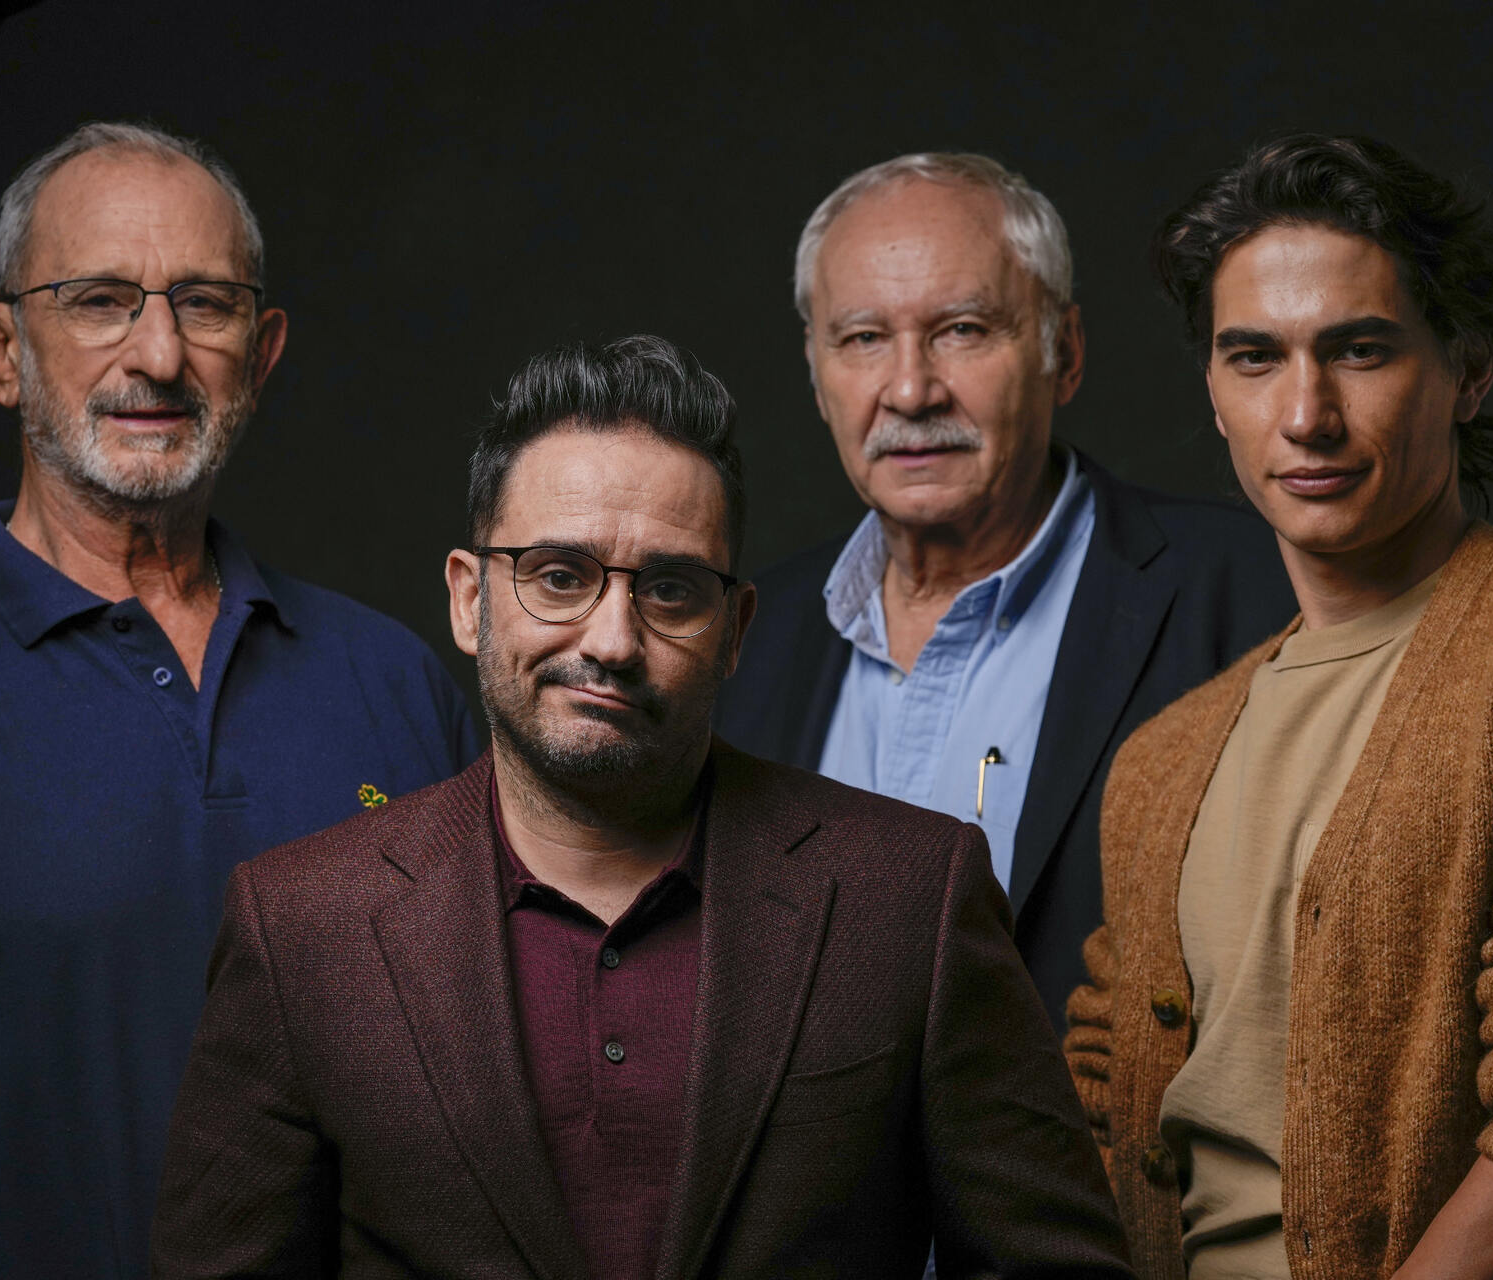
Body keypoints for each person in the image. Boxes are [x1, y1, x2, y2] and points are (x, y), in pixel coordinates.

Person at [150, 335, 1134, 1280]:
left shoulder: (911, 895)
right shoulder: (302, 927)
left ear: (735, 627)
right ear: (467, 597)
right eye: (560, 577)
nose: (612, 638)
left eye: (669, 590)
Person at [0, 122, 477, 1279]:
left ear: (264, 348)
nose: (158, 354)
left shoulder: (393, 683)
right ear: (4, 350)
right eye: (99, 299)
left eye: (205, 303)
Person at [1064, 133, 1493, 1279]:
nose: (1306, 413)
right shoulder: (1164, 758)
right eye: (1253, 357)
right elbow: (1107, 1098)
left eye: (1359, 350)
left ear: (1470, 367)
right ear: (1211, 390)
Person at [715, 153, 1296, 1030]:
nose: (910, 390)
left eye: (964, 329)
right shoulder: (742, 634)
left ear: (1064, 354)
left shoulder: (1250, 591)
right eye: (864, 338)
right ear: (816, 368)